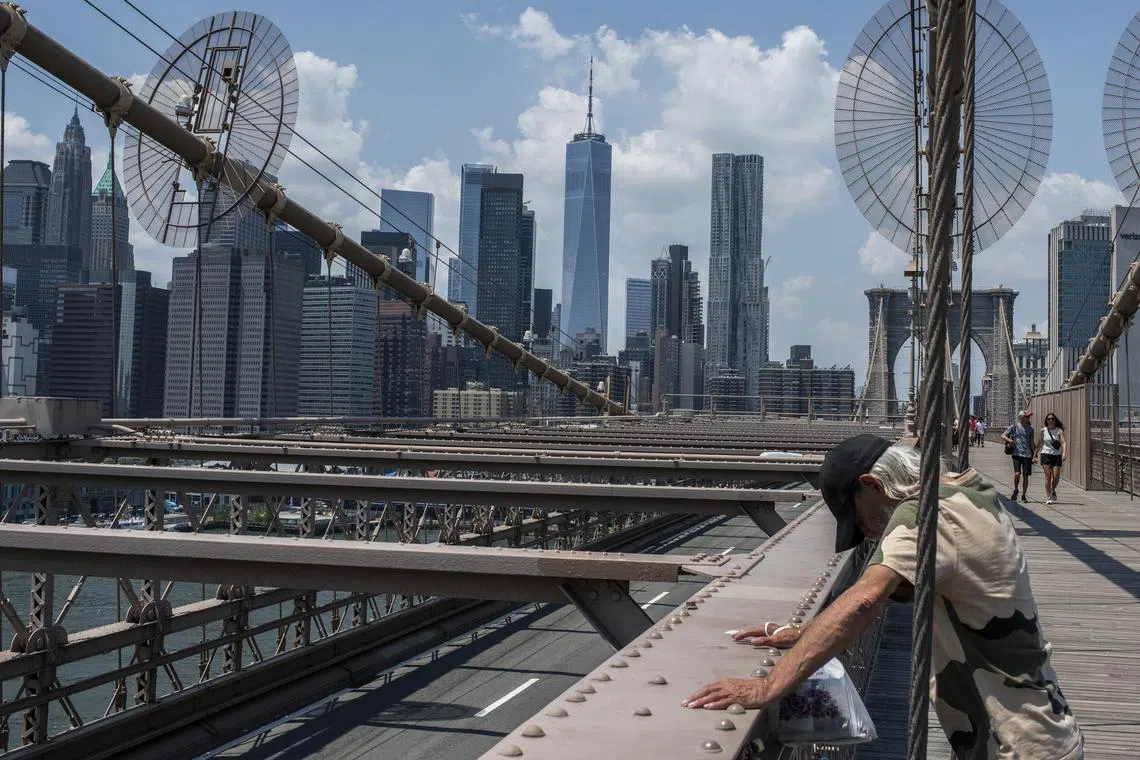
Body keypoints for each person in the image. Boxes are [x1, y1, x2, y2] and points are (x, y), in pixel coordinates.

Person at [685, 434, 1084, 759]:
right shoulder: (970, 491)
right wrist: (803, 632)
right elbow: (898, 592)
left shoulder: (927, 513)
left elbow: (864, 601)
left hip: (1019, 744)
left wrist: (768, 686)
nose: (870, 532)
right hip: (1033, 732)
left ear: (871, 484)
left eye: (859, 517)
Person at [1002, 410, 1035, 503]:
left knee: (1025, 476)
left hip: (1027, 455)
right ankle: (1016, 489)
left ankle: (1024, 495)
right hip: (1016, 454)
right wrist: (1010, 441)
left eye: (1029, 416)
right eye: (1027, 416)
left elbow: (1032, 443)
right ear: (1021, 417)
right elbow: (1003, 436)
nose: (1029, 418)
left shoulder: (1031, 429)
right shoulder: (1014, 427)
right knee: (1017, 474)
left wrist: (1035, 454)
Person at [1036, 413, 1067, 505]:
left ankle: (1053, 489)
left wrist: (1064, 453)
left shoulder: (1059, 431)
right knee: (1048, 476)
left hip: (1056, 455)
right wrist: (1035, 454)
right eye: (1049, 419)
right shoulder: (1043, 430)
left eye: (1052, 419)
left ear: (1055, 420)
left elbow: (1063, 442)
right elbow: (1039, 443)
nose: (1050, 420)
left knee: (1056, 476)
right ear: (1046, 420)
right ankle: (1048, 496)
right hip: (1045, 454)